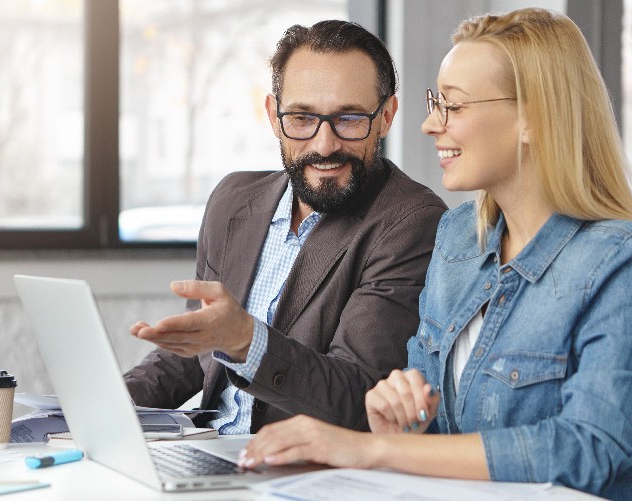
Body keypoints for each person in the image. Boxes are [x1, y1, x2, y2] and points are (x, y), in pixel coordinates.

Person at [239, 8, 632, 499]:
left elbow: (586, 450)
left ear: (535, 117)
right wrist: (399, 421)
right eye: (435, 102)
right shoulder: (460, 237)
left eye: (453, 107)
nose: (429, 125)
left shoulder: (627, 263)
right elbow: (436, 431)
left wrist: (369, 449)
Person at [125, 20, 447, 434]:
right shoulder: (232, 199)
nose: (324, 144)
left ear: (385, 117)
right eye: (301, 118)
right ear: (274, 117)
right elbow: (195, 354)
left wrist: (246, 340)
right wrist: (106, 407)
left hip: (298, 469)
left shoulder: (410, 221)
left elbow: (359, 395)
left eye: (348, 119)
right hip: (206, 448)